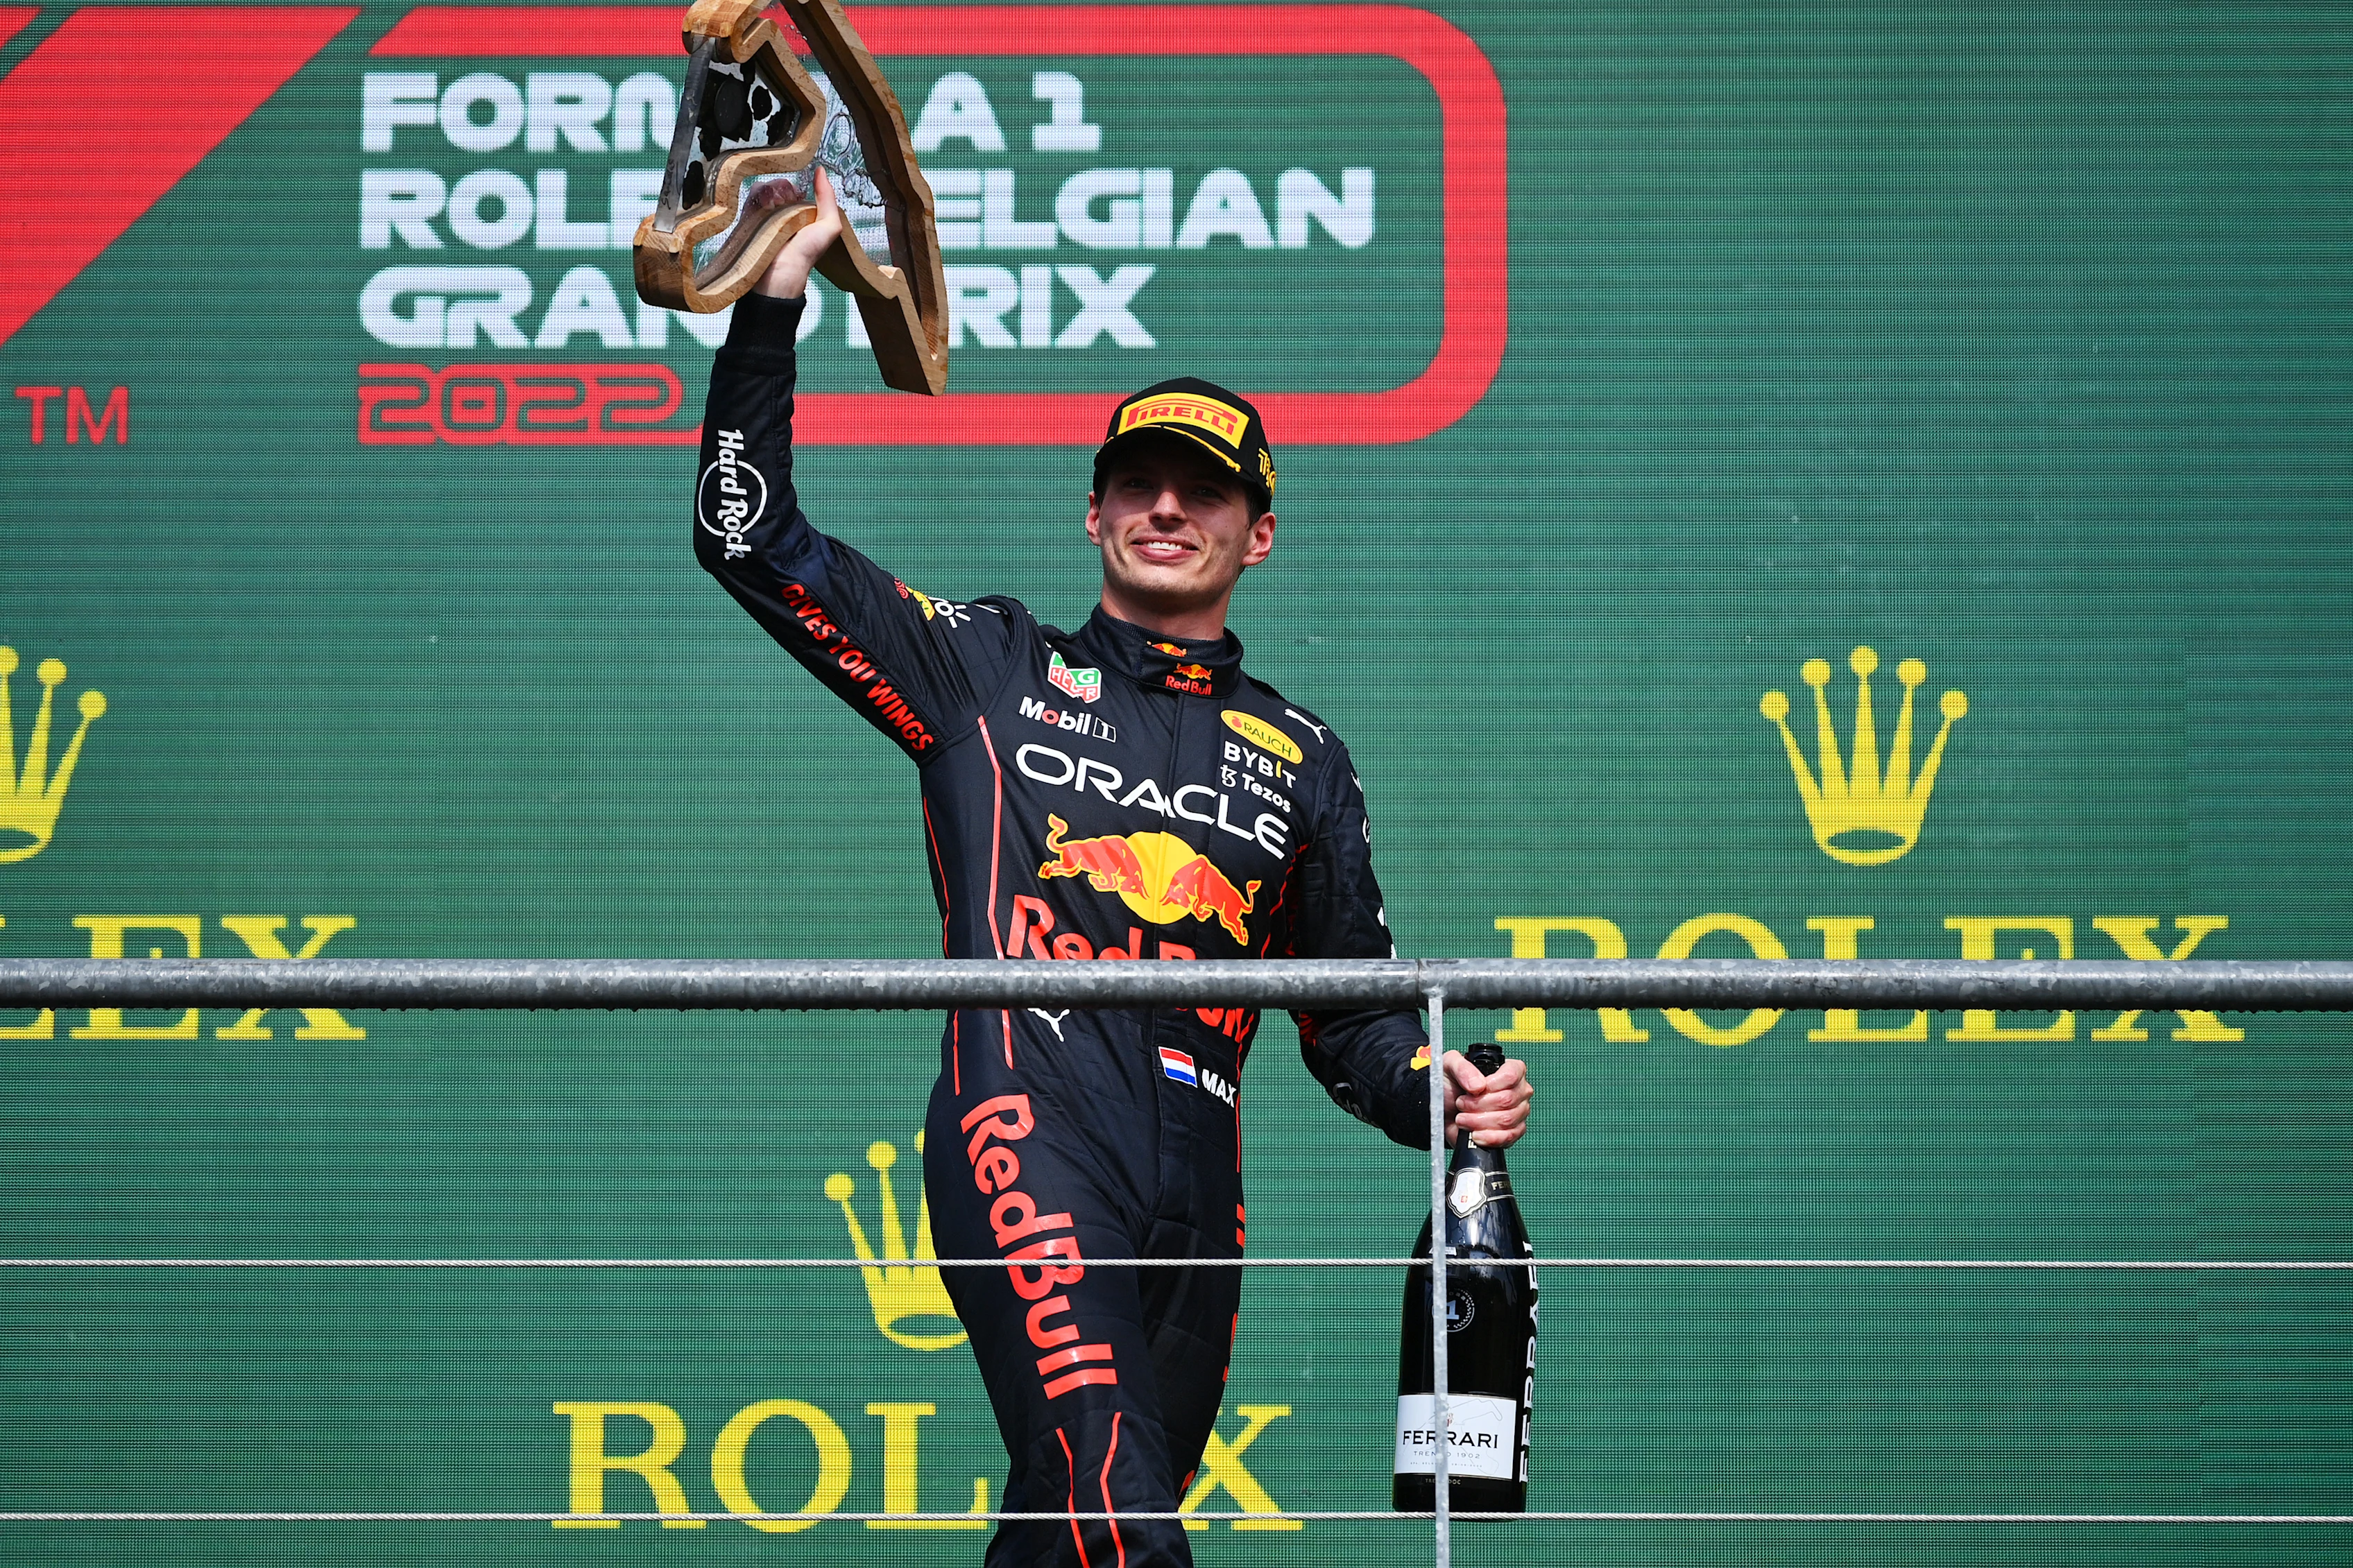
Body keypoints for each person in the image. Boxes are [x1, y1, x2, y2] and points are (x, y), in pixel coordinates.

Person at [692, 171, 1532, 1567]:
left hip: (1201, 1184)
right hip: (1026, 1122)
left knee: (1068, 1525)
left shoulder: (1303, 754)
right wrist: (772, 307)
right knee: (1116, 1510)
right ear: (1093, 514)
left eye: (1204, 491)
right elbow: (749, 537)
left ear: (1258, 533)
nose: (1165, 508)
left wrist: (1431, 1086)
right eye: (1136, 484)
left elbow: (1352, 1018)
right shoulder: (989, 668)